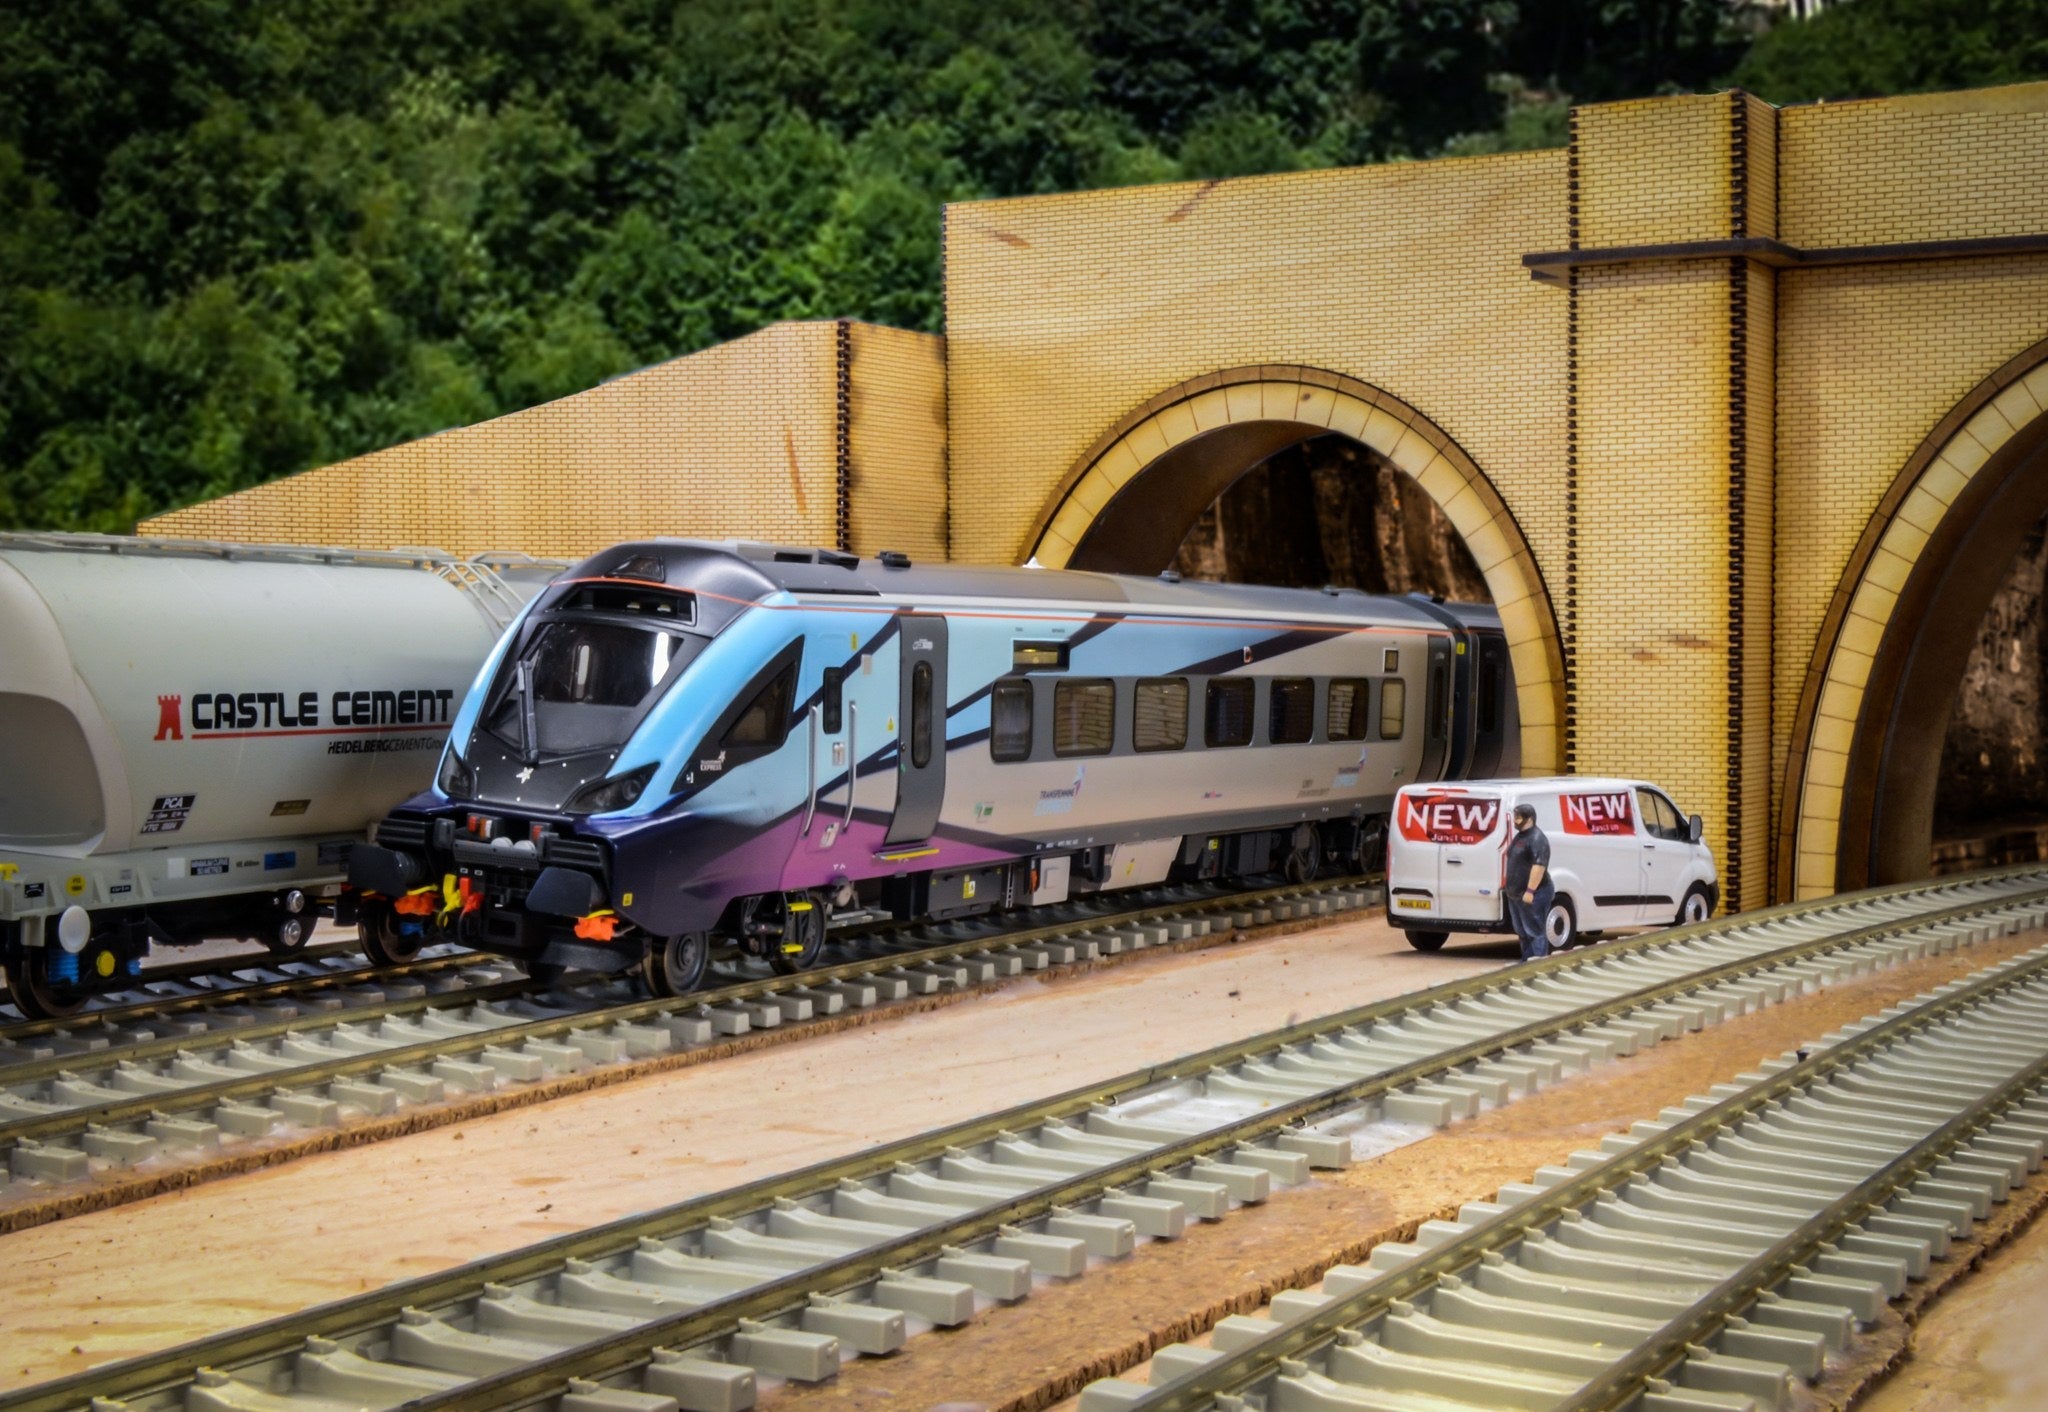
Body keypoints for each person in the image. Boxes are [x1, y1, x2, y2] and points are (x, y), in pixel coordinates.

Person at [1503, 803, 1554, 960]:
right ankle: (1527, 961)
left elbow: (1539, 866)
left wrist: (1530, 891)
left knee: (1535, 931)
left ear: (1529, 819)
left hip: (1533, 894)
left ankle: (1537, 962)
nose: (1515, 820)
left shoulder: (1537, 839)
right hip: (1516, 894)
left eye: (1518, 817)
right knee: (1522, 931)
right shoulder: (1520, 837)